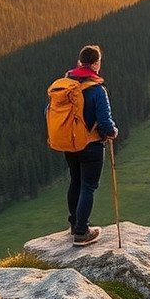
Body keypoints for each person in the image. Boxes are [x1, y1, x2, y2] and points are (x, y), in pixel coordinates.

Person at [61, 44, 117, 246]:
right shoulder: (97, 90)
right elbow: (105, 123)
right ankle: (82, 232)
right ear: (95, 64)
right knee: (88, 186)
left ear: (79, 62)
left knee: (75, 182)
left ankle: (74, 224)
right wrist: (112, 132)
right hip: (91, 146)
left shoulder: (66, 85)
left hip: (69, 143)